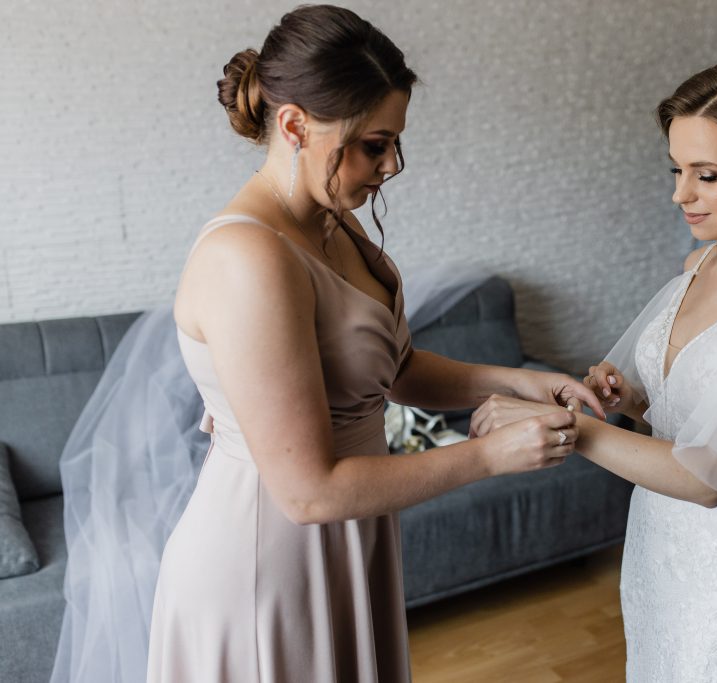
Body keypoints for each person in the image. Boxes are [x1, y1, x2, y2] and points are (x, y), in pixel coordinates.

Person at [146, 6, 603, 682]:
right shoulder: (248, 259)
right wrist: (489, 455)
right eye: (373, 144)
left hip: (353, 534)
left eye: (395, 142)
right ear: (295, 125)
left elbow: (395, 371)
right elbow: (308, 492)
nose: (391, 165)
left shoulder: (333, 221)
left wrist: (519, 380)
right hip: (267, 563)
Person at [471, 54, 717, 681]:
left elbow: (712, 477)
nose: (680, 194)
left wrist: (572, 430)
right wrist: (628, 399)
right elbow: (686, 416)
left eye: (706, 175)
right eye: (677, 170)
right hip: (655, 549)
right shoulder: (697, 266)